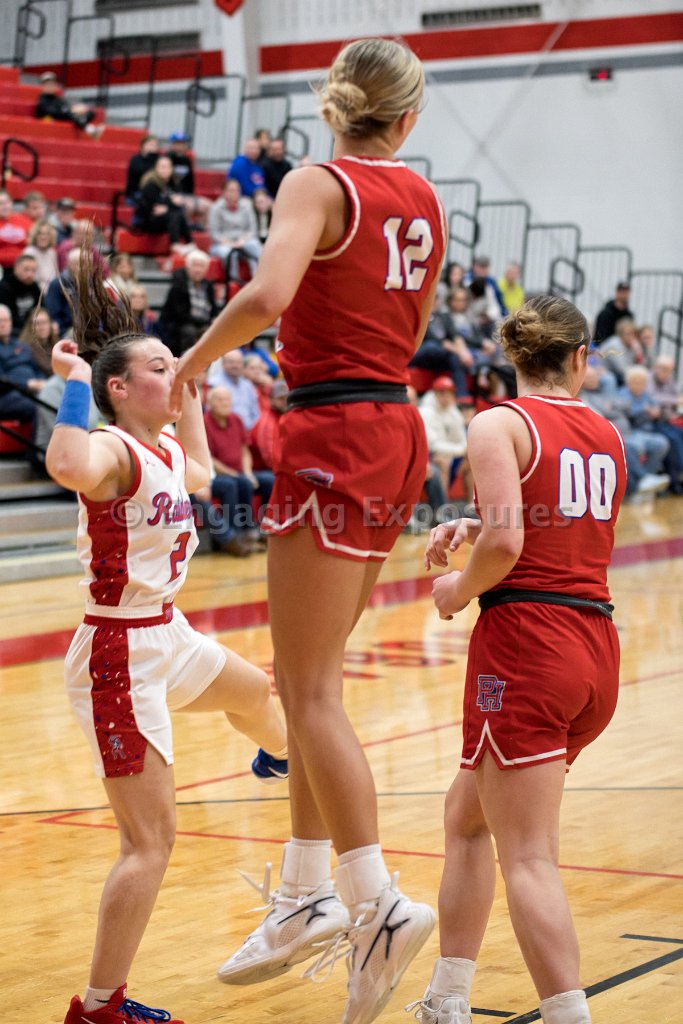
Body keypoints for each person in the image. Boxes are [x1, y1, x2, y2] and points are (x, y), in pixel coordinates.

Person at [172, 37, 446, 1024]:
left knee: (310, 689)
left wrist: (193, 362)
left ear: (333, 108)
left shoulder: (315, 182)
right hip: (394, 427)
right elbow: (407, 320)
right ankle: (302, 894)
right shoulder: (425, 199)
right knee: (305, 681)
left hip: (333, 426)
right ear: (406, 118)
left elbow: (266, 296)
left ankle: (374, 902)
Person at [44, 248, 288, 1024]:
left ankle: (279, 758)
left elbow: (204, 477)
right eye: (158, 366)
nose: (171, 370)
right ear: (118, 389)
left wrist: (192, 392)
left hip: (167, 633)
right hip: (119, 653)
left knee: (260, 699)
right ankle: (99, 1007)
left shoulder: (165, 449)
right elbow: (65, 461)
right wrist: (73, 380)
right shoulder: (111, 448)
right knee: (150, 842)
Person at [411, 295, 627, 1024]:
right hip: (594, 646)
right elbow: (555, 527)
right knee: (466, 816)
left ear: (514, 354)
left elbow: (508, 546)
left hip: (528, 646)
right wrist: (477, 524)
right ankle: (447, 998)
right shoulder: (607, 432)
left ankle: (567, 1016)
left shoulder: (498, 422)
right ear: (580, 358)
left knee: (528, 857)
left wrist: (456, 590)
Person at [158, 249, 219, 357]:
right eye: (195, 265)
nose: (198, 270)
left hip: (201, 324)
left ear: (206, 269)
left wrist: (215, 319)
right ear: (188, 267)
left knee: (214, 331)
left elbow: (213, 308)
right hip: (179, 326)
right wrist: (207, 322)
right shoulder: (179, 284)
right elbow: (180, 316)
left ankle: (211, 361)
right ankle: (185, 360)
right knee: (189, 331)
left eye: (201, 266)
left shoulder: (208, 285)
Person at [208, 179, 262, 281]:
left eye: (237, 190)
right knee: (229, 252)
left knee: (254, 245)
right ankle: (234, 281)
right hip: (223, 243)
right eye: (232, 190)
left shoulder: (247, 205)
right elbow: (214, 233)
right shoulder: (216, 208)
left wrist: (243, 241)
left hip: (243, 240)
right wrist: (230, 243)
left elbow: (252, 229)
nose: (235, 193)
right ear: (224, 192)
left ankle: (258, 278)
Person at [0, 302, 46, 422]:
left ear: (11, 322)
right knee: (37, 404)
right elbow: (2, 381)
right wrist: (26, 384)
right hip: (7, 394)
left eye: (6, 320)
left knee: (54, 395)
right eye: (0, 321)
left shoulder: (22, 345)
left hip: (32, 390)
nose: (3, 324)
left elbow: (36, 369)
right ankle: (41, 435)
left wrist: (42, 382)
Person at [134, 155, 193, 250]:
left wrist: (168, 206)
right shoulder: (150, 184)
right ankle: (176, 244)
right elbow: (153, 208)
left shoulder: (174, 183)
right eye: (163, 167)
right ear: (156, 168)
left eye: (168, 167)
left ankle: (190, 243)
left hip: (167, 220)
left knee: (178, 214)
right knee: (175, 215)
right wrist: (171, 203)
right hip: (149, 221)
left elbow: (173, 204)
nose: (165, 170)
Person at [35, 71, 104, 138]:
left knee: (89, 112)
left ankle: (85, 125)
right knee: (69, 113)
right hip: (51, 121)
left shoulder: (58, 98)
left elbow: (66, 106)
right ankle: (90, 129)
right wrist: (68, 110)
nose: (51, 86)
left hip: (65, 116)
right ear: (43, 86)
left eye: (52, 84)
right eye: (48, 84)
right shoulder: (42, 99)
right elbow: (49, 112)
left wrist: (75, 109)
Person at [0, 253, 41, 331]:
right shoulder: (4, 287)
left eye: (33, 270)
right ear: (16, 268)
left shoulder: (34, 286)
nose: (30, 274)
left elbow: (41, 308)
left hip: (32, 326)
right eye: (26, 269)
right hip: (12, 328)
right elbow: (11, 317)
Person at [24, 218, 60, 289]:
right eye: (40, 234)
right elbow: (29, 279)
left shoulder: (52, 252)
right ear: (35, 236)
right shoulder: (29, 252)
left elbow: (56, 276)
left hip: (52, 289)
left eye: (47, 234)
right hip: (36, 289)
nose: (43, 237)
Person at [124, 135, 160, 202]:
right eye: (151, 144)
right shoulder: (135, 159)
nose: (153, 147)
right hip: (135, 193)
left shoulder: (159, 159)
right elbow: (141, 172)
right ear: (143, 146)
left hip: (154, 193)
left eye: (155, 145)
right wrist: (151, 156)